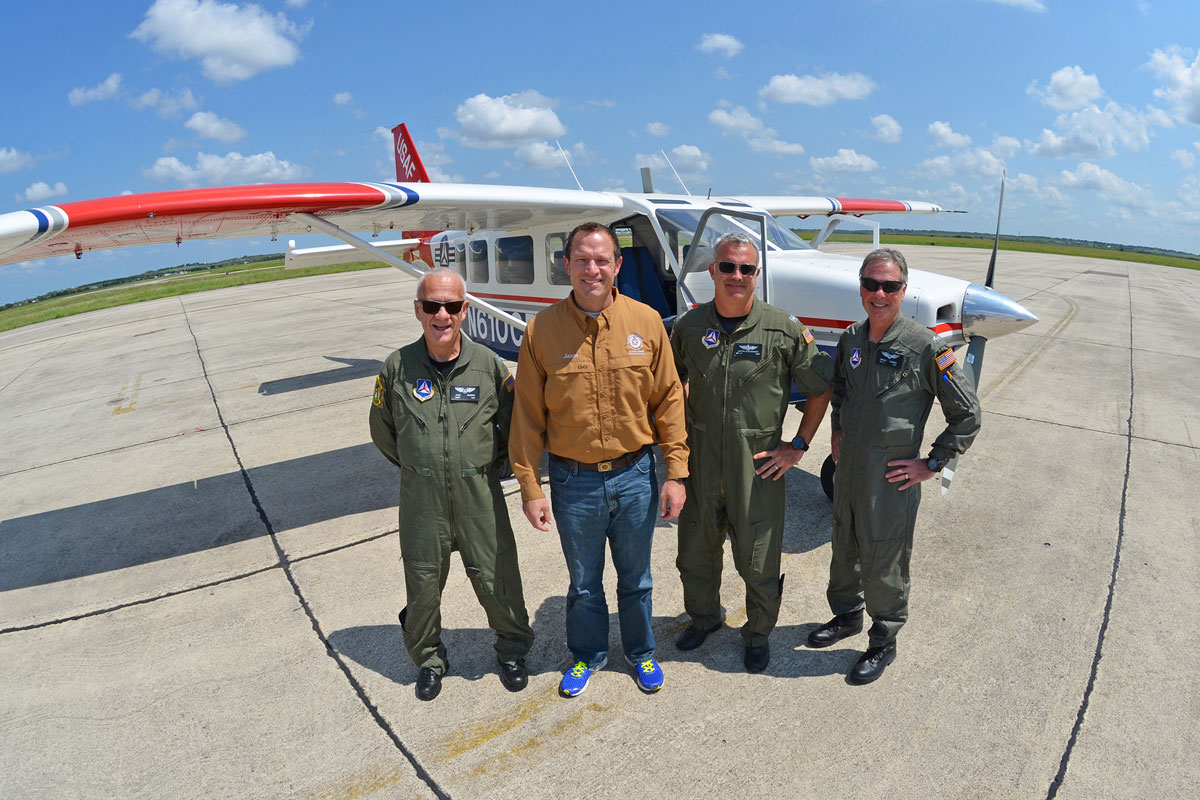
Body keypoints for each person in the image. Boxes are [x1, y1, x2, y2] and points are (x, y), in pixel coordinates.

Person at [510, 222, 688, 698]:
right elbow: (527, 416)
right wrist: (531, 487)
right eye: (582, 260)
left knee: (637, 578)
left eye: (602, 259)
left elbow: (669, 400)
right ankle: (587, 654)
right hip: (574, 482)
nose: (592, 269)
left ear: (617, 266)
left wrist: (676, 473)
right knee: (584, 584)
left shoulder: (647, 322)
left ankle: (641, 651)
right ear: (565, 265)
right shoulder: (541, 331)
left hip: (636, 476)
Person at [807, 248, 981, 684]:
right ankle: (847, 615)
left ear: (903, 291)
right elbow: (841, 389)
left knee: (885, 559)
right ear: (861, 288)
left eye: (889, 286)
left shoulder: (926, 347)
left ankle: (884, 638)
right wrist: (837, 430)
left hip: (891, 479)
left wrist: (932, 463)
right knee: (844, 548)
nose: (879, 293)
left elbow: (967, 414)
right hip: (848, 473)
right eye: (871, 284)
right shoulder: (851, 338)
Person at [369, 268, 535, 702]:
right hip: (422, 500)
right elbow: (384, 432)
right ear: (418, 311)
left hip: (479, 493)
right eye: (431, 306)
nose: (441, 314)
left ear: (464, 310)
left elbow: (511, 426)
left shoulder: (488, 366)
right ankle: (428, 659)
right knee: (423, 583)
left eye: (451, 306)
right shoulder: (396, 368)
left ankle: (513, 651)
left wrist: (483, 467)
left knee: (499, 576)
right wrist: (419, 468)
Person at [671, 233, 833, 673]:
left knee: (758, 559)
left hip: (758, 465)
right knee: (695, 554)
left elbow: (821, 388)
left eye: (746, 269)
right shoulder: (688, 327)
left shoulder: (783, 329)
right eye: (728, 267)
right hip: (700, 461)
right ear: (713, 272)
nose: (737, 276)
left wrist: (797, 445)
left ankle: (758, 633)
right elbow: (671, 383)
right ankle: (704, 618)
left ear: (757, 274)